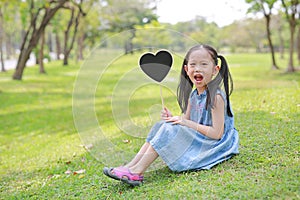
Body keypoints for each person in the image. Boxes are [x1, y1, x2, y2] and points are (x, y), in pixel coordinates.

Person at [103, 44, 239, 186]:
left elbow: (217, 134)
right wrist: (173, 118)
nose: (197, 68)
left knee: (169, 129)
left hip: (213, 144)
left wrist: (184, 123)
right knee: (162, 125)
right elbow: (185, 121)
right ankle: (131, 166)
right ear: (187, 69)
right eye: (193, 64)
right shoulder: (194, 95)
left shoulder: (216, 97)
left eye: (204, 64)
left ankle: (136, 172)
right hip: (200, 137)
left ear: (215, 70)